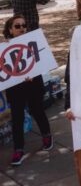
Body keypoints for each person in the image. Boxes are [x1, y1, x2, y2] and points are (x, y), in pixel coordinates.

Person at [3, 15, 53, 166]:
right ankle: (18, 149)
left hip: (33, 83)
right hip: (15, 87)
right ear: (10, 30)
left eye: (23, 25)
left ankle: (47, 135)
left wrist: (34, 73)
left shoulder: (33, 42)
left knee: (38, 110)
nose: (22, 28)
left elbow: (41, 60)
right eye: (17, 26)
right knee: (17, 118)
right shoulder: (5, 46)